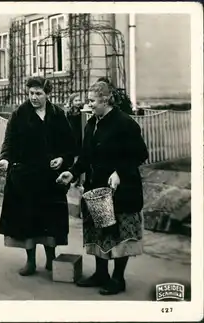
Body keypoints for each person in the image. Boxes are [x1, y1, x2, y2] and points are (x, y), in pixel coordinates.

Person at [56, 80, 149, 295]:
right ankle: (101, 273)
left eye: (92, 101)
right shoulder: (92, 124)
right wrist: (73, 172)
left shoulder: (125, 123)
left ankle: (118, 278)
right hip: (97, 189)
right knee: (99, 231)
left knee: (118, 234)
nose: (89, 105)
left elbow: (140, 154)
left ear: (105, 100)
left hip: (122, 191)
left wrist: (120, 172)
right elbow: (86, 156)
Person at [0, 76, 77, 276]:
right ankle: (30, 261)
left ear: (47, 94)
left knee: (51, 220)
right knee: (27, 220)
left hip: (51, 179)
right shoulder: (19, 115)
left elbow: (70, 145)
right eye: (31, 93)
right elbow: (9, 143)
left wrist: (62, 159)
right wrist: (5, 159)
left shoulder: (58, 114)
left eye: (38, 93)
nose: (34, 97)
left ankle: (51, 259)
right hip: (25, 177)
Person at [64, 93, 84, 188]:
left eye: (79, 100)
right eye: (76, 100)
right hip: (72, 138)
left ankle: (78, 180)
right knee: (73, 158)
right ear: (71, 102)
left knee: (79, 158)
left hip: (80, 137)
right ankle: (73, 177)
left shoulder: (82, 112)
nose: (78, 102)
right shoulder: (69, 113)